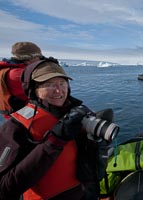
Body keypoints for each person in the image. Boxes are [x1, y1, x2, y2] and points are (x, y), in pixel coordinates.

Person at [0, 60, 105, 199]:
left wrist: (96, 141)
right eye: (49, 84)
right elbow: (4, 188)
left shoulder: (78, 112)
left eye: (62, 83)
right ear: (34, 90)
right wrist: (54, 141)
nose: (58, 90)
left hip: (86, 192)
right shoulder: (17, 126)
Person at [0, 42, 44, 119]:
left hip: (16, 115)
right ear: (30, 59)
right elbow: (45, 89)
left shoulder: (7, 70)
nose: (40, 60)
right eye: (39, 57)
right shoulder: (17, 74)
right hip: (24, 118)